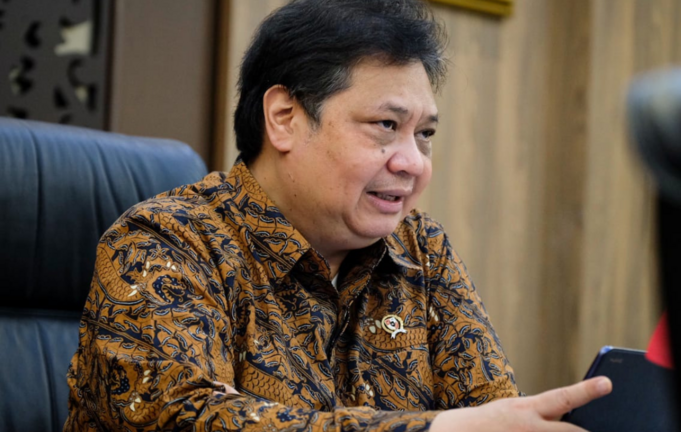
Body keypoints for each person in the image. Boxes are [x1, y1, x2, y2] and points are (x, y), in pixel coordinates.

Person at [64, 0, 611, 431]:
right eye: (385, 126)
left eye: (425, 134)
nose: (413, 162)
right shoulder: (163, 244)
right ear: (284, 118)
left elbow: (488, 411)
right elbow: (190, 418)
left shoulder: (422, 250)